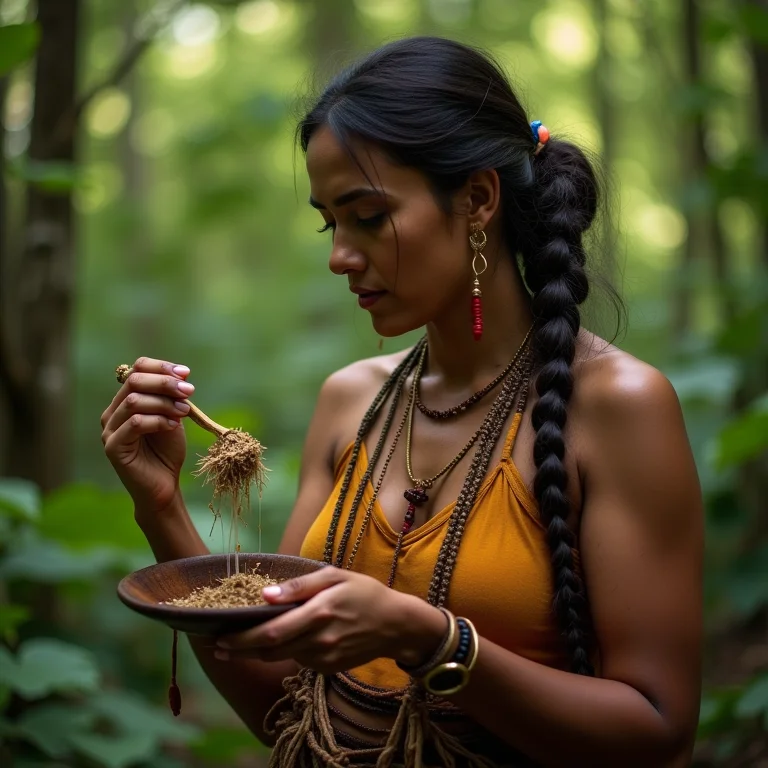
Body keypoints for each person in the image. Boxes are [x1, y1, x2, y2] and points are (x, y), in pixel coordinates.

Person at [100, 36, 703, 768]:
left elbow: (658, 730)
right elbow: (280, 709)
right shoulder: (351, 402)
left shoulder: (616, 405)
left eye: (369, 216)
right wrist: (161, 504)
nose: (338, 255)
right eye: (330, 221)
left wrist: (430, 641)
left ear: (478, 199)